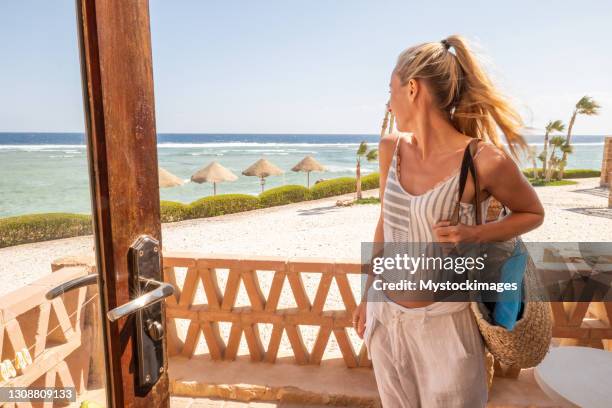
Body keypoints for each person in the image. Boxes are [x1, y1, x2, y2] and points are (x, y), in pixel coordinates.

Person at [352, 35, 545, 407]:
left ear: (412, 89)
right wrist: (368, 291)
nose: (387, 101)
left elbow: (533, 213)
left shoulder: (483, 159)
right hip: (386, 321)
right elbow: (384, 224)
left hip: (447, 329)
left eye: (390, 90)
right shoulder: (390, 148)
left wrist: (477, 233)